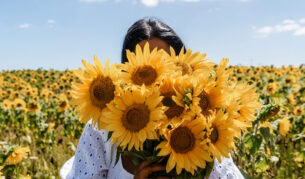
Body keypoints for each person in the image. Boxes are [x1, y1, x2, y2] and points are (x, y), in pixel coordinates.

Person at [60, 17, 244, 179]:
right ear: (126, 71)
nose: (157, 80)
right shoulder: (101, 128)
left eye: (164, 65)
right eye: (144, 71)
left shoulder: (203, 125)